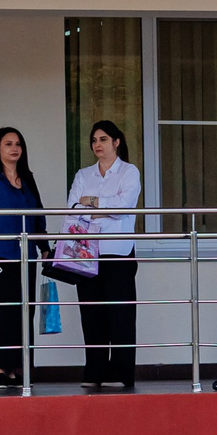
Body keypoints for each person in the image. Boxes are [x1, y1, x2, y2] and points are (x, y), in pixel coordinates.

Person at [65, 121, 144, 393]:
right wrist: (102, 209)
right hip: (88, 251)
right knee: (91, 314)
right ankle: (95, 370)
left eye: (103, 139)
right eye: (94, 140)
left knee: (120, 314)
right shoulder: (84, 174)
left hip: (118, 252)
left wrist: (95, 203)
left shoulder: (129, 172)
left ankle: (121, 372)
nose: (97, 144)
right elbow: (73, 209)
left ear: (116, 142)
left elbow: (125, 207)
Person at [0, 127, 45, 388]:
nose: (14, 148)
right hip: (0, 257)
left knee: (25, 312)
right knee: (8, 310)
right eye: (8, 144)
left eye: (18, 143)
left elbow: (38, 215)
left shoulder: (27, 179)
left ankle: (17, 367)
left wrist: (46, 248)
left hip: (27, 256)